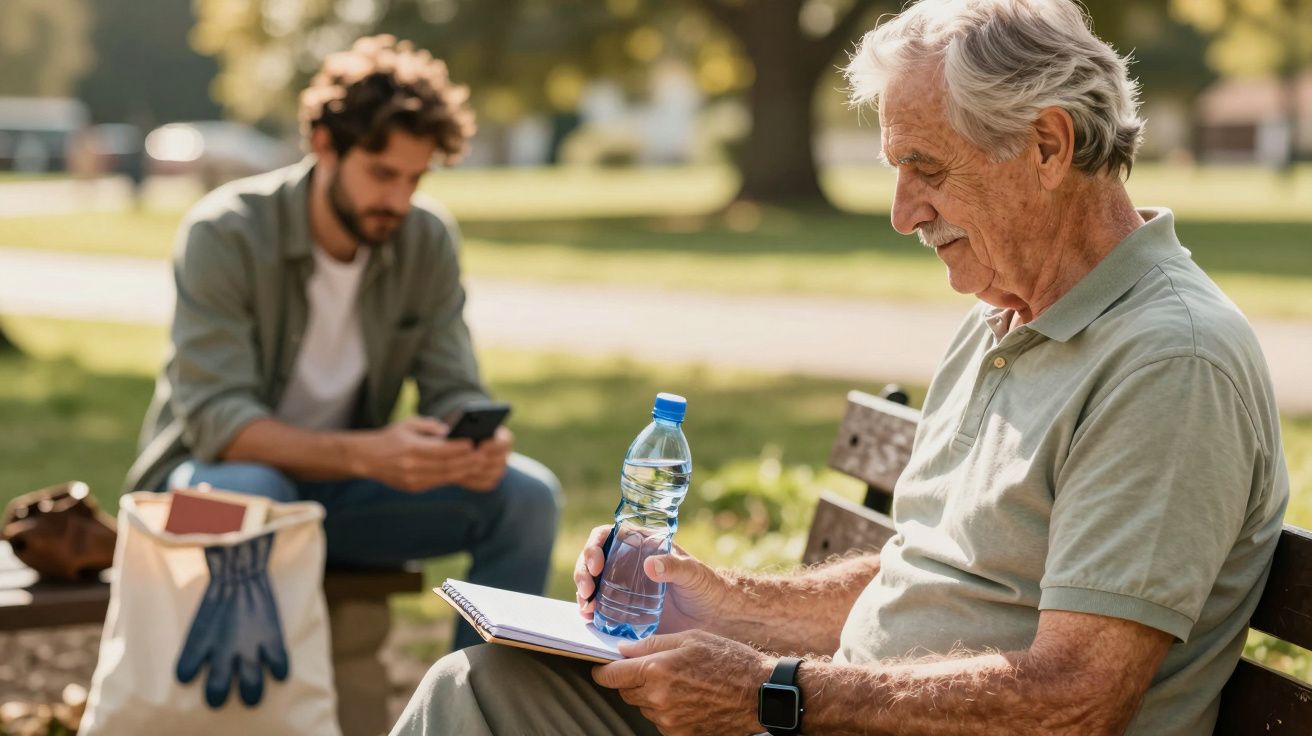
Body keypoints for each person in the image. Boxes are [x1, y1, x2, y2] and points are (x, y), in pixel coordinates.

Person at [390, 0, 1291, 733]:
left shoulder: (1169, 362)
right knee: (482, 688)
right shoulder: (1005, 316)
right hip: (837, 715)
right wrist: (718, 604)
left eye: (926, 167)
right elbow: (924, 575)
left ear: (1048, 146)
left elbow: (1076, 700)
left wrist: (769, 691)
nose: (903, 213)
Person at [124, 35, 562, 651]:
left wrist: (475, 442)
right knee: (255, 491)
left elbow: (454, 388)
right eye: (382, 174)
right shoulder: (225, 232)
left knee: (527, 497)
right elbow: (219, 424)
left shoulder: (425, 239)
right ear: (324, 143)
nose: (398, 200)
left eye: (414, 178)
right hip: (196, 499)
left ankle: (474, 701)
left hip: (337, 499)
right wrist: (367, 455)